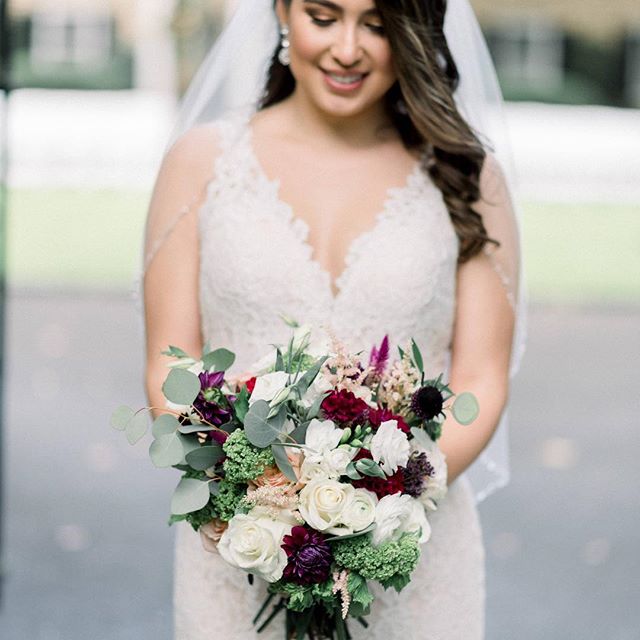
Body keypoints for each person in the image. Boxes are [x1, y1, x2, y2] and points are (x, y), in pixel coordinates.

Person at [142, 0, 525, 638]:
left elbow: (483, 378)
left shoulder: (465, 175)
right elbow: (169, 359)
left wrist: (384, 504)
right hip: (239, 548)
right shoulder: (200, 162)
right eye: (324, 16)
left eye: (376, 25)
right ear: (283, 12)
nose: (347, 49)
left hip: (415, 548)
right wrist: (250, 498)